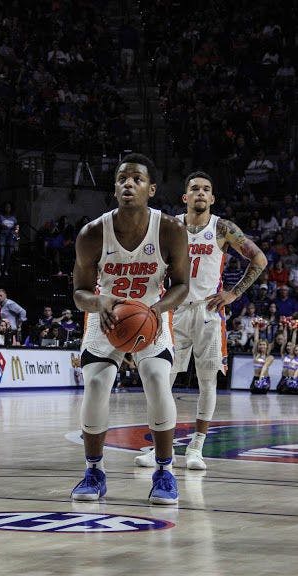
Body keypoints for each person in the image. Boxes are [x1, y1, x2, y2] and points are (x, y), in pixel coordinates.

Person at [71, 153, 189, 505]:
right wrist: (98, 303)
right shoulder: (92, 234)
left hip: (150, 314)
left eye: (137, 179)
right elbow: (78, 294)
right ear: (115, 188)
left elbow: (181, 285)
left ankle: (165, 472)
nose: (128, 184)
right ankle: (94, 470)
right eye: (123, 178)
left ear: (150, 189)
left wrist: (155, 311)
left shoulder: (170, 229)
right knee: (95, 382)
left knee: (155, 377)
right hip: (105, 316)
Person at [135, 171, 267, 471]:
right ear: (185, 197)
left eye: (206, 189)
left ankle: (196, 447)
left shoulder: (223, 228)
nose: (200, 193)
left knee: (207, 382)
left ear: (212, 197)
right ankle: (158, 447)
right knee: (162, 379)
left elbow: (259, 259)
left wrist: (233, 294)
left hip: (208, 313)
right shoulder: (170, 226)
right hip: (174, 311)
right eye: (194, 189)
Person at [250, 325, 273, 393]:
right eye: (260, 344)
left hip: (264, 378)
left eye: (264, 344)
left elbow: (264, 367)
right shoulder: (255, 354)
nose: (262, 346)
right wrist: (256, 326)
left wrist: (260, 380)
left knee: (262, 396)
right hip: (256, 377)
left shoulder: (269, 357)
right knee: (253, 393)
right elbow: (256, 339)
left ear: (267, 346)